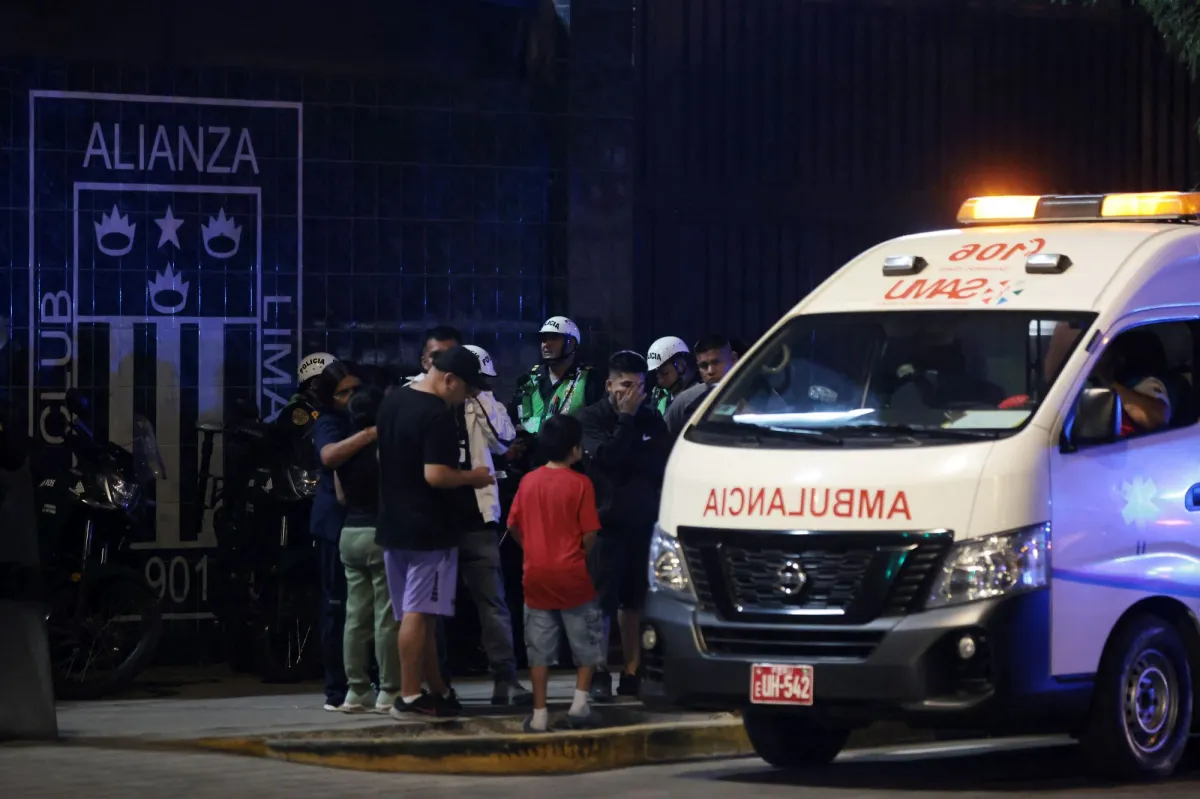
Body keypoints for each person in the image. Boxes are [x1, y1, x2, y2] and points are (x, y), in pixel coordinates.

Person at [376, 346, 495, 718]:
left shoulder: (392, 402)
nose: (466, 398)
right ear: (450, 379)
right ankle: (410, 696)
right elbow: (436, 475)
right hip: (429, 529)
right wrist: (474, 477)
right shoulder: (437, 415)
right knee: (418, 612)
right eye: (467, 390)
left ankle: (436, 689)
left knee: (417, 614)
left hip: (393, 523)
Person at [578, 350, 671, 701]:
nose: (634, 394)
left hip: (642, 522)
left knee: (634, 602)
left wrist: (631, 439)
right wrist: (627, 421)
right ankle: (598, 671)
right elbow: (607, 458)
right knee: (600, 603)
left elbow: (659, 463)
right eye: (627, 386)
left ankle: (633, 671)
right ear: (609, 386)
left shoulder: (652, 418)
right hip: (604, 524)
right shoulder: (591, 418)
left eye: (640, 387)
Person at [506, 413, 603, 732]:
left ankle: (539, 715)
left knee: (538, 650)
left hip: (536, 576)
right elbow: (590, 533)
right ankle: (579, 706)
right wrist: (577, 553)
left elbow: (513, 526)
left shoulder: (528, 481)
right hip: (572, 576)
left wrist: (533, 549)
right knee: (586, 642)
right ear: (574, 448)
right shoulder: (582, 484)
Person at [450, 344, 532, 705]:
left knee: (492, 602)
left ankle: (505, 678)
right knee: (432, 605)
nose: (481, 385)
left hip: (478, 519)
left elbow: (504, 440)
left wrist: (479, 397)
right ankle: (436, 681)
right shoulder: (427, 402)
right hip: (437, 519)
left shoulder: (485, 403)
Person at [311, 360, 375, 712]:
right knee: (338, 609)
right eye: (342, 392)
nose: (350, 397)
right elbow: (329, 456)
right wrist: (368, 435)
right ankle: (337, 688)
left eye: (355, 389)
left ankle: (369, 681)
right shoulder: (329, 422)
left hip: (366, 523)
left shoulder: (364, 414)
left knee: (369, 611)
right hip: (336, 526)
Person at [333, 386, 402, 713]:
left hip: (349, 533)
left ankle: (356, 690)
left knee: (355, 617)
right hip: (379, 533)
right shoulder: (384, 449)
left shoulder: (343, 452)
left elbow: (340, 497)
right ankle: (389, 690)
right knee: (386, 618)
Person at [510, 316, 606, 439]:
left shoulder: (590, 380)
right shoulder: (529, 380)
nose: (546, 345)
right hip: (531, 450)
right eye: (543, 339)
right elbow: (511, 419)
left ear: (571, 343)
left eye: (553, 338)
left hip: (570, 450)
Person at [1091, 328, 1171, 436]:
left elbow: (1155, 419)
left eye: (1103, 355)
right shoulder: (1084, 382)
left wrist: (1109, 383)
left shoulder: (1146, 384)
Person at [664, 334, 740, 436]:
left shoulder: (755, 395)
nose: (710, 371)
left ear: (734, 359)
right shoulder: (684, 402)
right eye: (703, 366)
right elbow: (662, 439)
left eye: (716, 362)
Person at [647, 336, 699, 417]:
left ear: (681, 365)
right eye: (657, 375)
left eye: (664, 373)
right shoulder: (660, 396)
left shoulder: (699, 396)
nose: (660, 381)